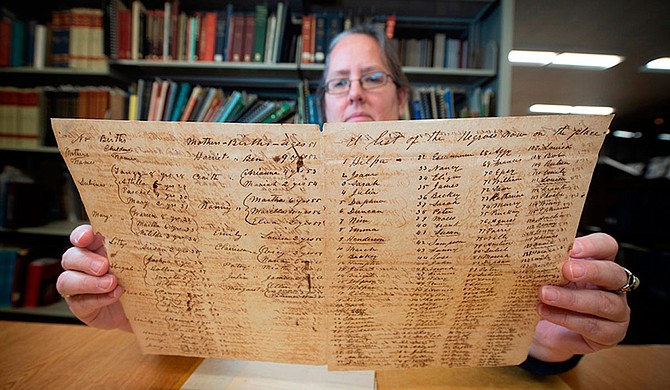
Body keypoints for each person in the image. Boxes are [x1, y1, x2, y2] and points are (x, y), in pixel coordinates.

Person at [57, 24, 635, 374]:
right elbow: (206, 342)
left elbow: (532, 344)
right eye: (339, 81)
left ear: (404, 97)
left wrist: (559, 342)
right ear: (324, 103)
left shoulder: (487, 182)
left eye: (373, 77)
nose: (354, 93)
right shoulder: (244, 190)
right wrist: (133, 310)